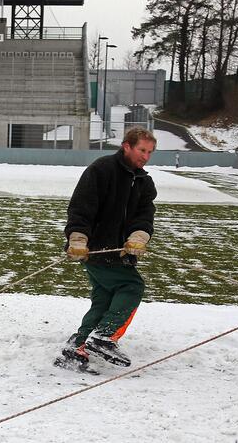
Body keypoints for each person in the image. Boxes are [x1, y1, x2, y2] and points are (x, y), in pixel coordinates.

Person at [56, 127, 157, 372]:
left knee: (104, 298)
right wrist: (78, 239)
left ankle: (77, 347)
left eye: (150, 152)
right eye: (142, 150)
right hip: (96, 249)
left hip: (122, 252)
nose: (146, 156)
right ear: (126, 146)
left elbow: (145, 215)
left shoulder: (144, 181)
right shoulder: (101, 170)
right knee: (131, 287)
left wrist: (139, 236)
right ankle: (103, 337)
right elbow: (81, 206)